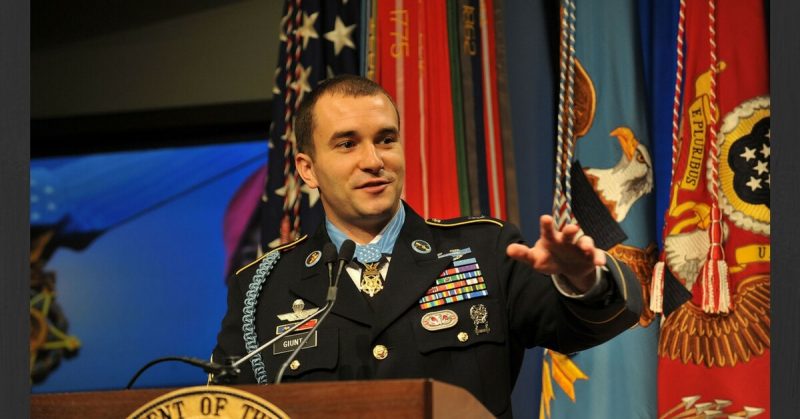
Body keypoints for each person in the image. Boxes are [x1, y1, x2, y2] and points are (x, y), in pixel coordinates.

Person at [213, 75, 642, 418]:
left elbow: (585, 325)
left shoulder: (484, 250)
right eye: (347, 144)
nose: (374, 160)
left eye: (385, 139)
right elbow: (226, 408)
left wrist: (585, 279)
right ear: (307, 169)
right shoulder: (262, 287)